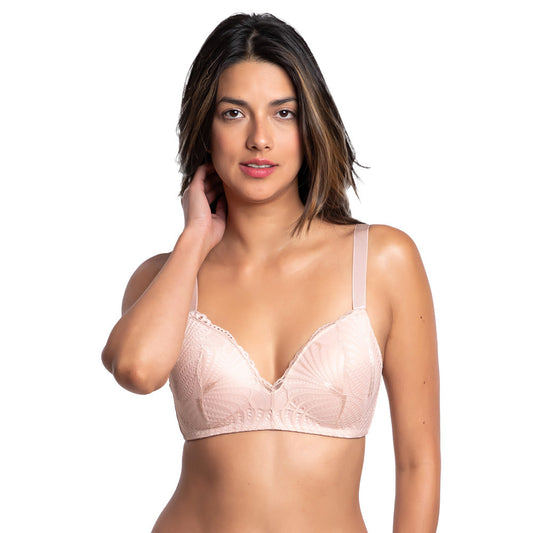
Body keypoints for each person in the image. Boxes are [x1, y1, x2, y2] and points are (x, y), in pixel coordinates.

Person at [101, 12, 440, 533]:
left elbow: (418, 464)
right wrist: (194, 240)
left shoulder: (383, 260)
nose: (260, 138)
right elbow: (135, 371)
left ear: (310, 125)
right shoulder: (164, 277)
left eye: (283, 113)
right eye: (234, 113)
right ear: (205, 129)